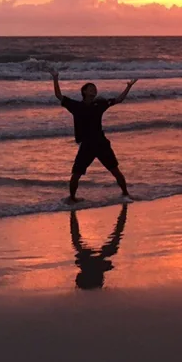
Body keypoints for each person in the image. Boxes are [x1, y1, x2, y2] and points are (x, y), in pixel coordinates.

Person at [50, 68, 138, 203]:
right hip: (87, 145)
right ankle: (72, 198)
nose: (94, 90)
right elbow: (58, 95)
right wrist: (55, 78)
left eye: (95, 88)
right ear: (84, 92)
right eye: (91, 88)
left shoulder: (100, 104)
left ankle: (126, 193)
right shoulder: (76, 106)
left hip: (101, 143)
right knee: (76, 174)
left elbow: (119, 99)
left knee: (115, 170)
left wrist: (129, 87)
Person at [70, 205, 128, 290]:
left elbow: (80, 273)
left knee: (77, 241)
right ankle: (124, 209)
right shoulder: (94, 279)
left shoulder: (92, 279)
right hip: (91, 263)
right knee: (116, 237)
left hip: (88, 262)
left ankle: (73, 214)